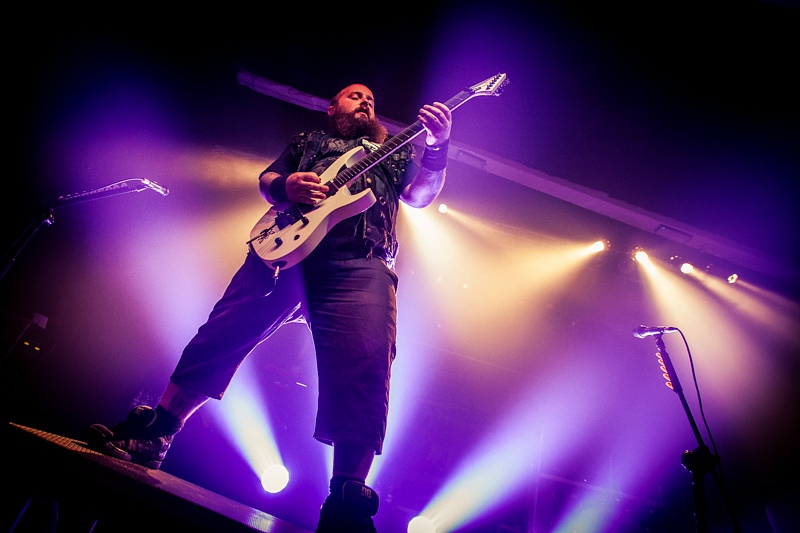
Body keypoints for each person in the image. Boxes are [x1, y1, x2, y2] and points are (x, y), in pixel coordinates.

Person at [84, 83, 452, 533]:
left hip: (361, 260)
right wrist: (286, 185)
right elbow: (266, 181)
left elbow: (420, 195)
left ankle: (345, 501)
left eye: (372, 98)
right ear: (333, 106)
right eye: (355, 95)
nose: (367, 101)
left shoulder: (392, 151)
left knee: (367, 362)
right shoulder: (308, 143)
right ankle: (154, 433)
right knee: (222, 332)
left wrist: (437, 148)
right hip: (283, 249)